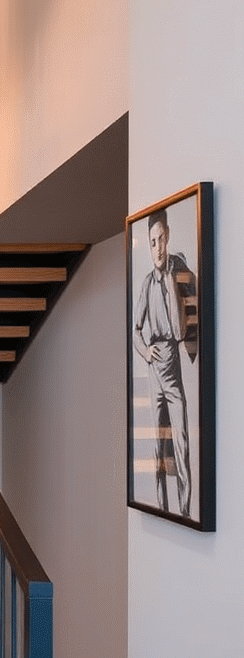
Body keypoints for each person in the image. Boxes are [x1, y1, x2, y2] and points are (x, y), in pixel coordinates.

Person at [132, 209, 198, 517]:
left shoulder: (179, 273)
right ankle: (162, 507)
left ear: (168, 237)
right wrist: (145, 351)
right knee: (158, 449)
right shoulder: (146, 284)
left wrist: (171, 277)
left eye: (161, 239)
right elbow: (135, 329)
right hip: (153, 373)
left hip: (173, 371)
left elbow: (178, 327)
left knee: (181, 442)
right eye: (152, 242)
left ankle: (184, 511)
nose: (157, 247)